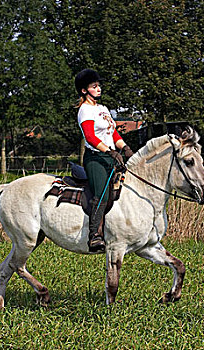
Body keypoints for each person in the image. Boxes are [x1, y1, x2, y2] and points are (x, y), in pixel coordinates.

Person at [75, 69, 134, 252]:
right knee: (102, 194)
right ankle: (94, 236)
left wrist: (124, 147)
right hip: (96, 158)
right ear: (84, 90)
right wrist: (110, 151)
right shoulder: (85, 110)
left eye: (99, 85)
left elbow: (113, 132)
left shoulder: (102, 109)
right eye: (94, 86)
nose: (99, 89)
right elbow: (91, 138)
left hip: (111, 156)